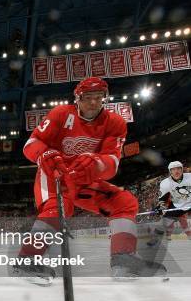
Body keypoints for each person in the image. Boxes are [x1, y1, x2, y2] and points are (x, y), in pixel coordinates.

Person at [13, 77, 165, 284]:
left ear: (104, 98)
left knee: (124, 202)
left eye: (98, 97)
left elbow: (112, 161)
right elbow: (31, 143)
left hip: (85, 178)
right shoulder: (60, 114)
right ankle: (27, 260)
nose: (93, 102)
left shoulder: (115, 122)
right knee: (58, 208)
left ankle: (124, 259)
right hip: (55, 174)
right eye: (87, 98)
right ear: (78, 98)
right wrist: (44, 154)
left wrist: (97, 165)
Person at [147, 161, 191, 245]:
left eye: (178, 169)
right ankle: (157, 239)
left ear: (182, 169)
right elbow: (163, 199)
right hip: (178, 205)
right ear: (170, 171)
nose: (176, 171)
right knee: (165, 222)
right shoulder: (165, 183)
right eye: (173, 169)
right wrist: (160, 208)